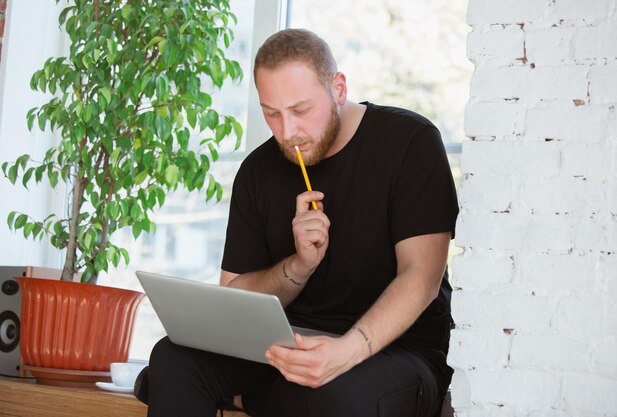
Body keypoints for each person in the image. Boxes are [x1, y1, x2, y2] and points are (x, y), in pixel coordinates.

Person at [146, 28, 458, 417]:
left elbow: (422, 278)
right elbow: (235, 295)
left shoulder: (409, 141)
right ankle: (267, 396)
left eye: (301, 110)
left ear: (339, 89)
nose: (287, 131)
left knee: (333, 397)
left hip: (394, 351)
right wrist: (298, 267)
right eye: (271, 113)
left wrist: (345, 352)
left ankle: (256, 399)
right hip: (288, 345)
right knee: (172, 359)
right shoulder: (258, 170)